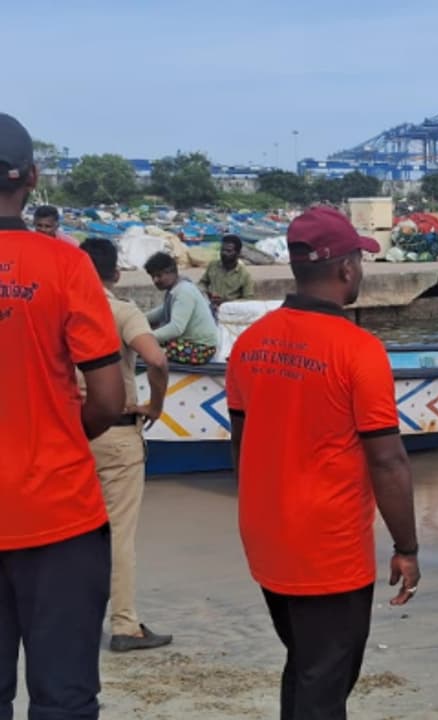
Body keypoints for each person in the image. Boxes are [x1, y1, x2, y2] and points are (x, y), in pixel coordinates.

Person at [225, 206, 421, 719]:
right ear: (347, 268)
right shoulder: (359, 351)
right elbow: (388, 461)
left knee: (307, 665)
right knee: (325, 684)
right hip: (327, 550)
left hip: (268, 541)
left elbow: (241, 448)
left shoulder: (249, 344)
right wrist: (407, 546)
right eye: (360, 259)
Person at [0, 112, 125, 719]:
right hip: (58, 515)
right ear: (33, 178)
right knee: (64, 698)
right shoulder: (66, 265)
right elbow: (108, 397)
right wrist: (62, 432)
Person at [80, 238, 174, 653]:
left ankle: (72, 621)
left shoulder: (59, 311)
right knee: (118, 533)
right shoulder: (121, 311)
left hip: (67, 434)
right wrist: (156, 404)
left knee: (72, 535)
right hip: (116, 433)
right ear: (116, 274)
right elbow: (156, 360)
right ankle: (124, 624)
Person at [143, 251, 220, 364]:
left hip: (202, 348)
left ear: (171, 272)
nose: (155, 280)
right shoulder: (175, 289)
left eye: (158, 275)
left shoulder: (184, 291)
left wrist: (145, 338)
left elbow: (176, 328)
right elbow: (161, 312)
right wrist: (138, 318)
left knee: (147, 349)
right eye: (152, 276)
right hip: (188, 343)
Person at [198, 234, 255, 309]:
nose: (224, 253)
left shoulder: (244, 275)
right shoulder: (213, 265)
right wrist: (206, 294)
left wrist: (227, 302)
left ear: (238, 253)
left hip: (230, 311)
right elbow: (203, 282)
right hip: (209, 305)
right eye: (222, 250)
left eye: (229, 251)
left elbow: (248, 300)